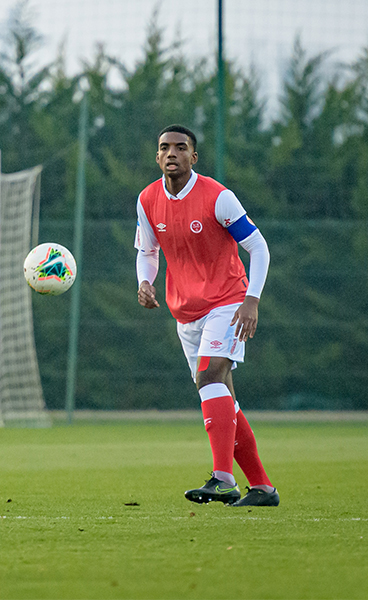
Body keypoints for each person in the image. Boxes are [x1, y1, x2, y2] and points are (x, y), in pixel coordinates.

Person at [134, 124, 279, 508]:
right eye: (165, 147)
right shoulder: (147, 199)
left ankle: (223, 479)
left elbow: (259, 248)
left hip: (228, 302)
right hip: (185, 313)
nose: (172, 153)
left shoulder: (218, 197)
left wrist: (251, 300)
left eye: (181, 148)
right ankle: (262, 488)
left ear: (193, 157)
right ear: (157, 156)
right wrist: (145, 282)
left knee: (209, 376)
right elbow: (147, 251)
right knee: (221, 396)